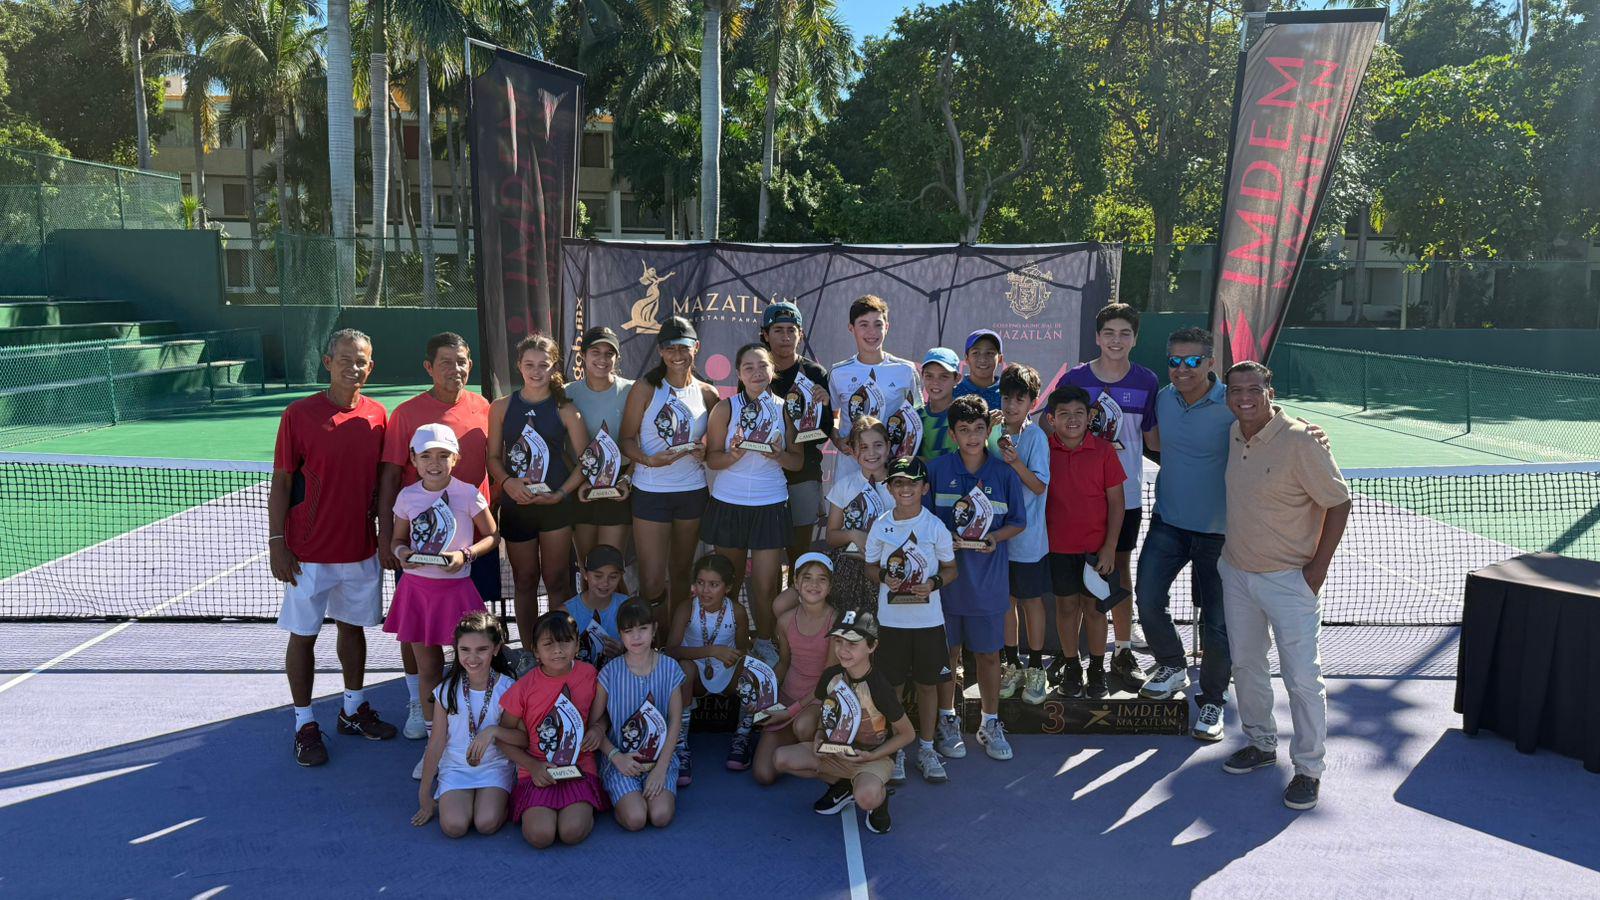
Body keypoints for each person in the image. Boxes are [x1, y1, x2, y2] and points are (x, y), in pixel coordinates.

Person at [1218, 361, 1351, 812]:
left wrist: (1317, 570)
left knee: (1301, 678)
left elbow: (1339, 502)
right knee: (1247, 666)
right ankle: (1260, 743)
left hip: (1290, 581)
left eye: (1253, 389)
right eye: (1236, 390)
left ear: (1269, 390)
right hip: (1236, 574)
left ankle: (1309, 768)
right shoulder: (1236, 433)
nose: (1244, 397)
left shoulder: (1300, 440)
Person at [269, 328, 396, 766]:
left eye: (360, 360)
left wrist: (383, 539)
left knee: (352, 629)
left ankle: (352, 709)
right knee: (303, 636)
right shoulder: (299, 415)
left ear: (370, 366)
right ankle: (304, 722)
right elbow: (282, 481)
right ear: (327, 363)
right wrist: (277, 544)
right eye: (344, 358)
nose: (352, 367)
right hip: (307, 553)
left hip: (359, 550)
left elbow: (385, 484)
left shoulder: (379, 416)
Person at [379, 332, 498, 741]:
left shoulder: (483, 406)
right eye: (446, 361)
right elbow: (392, 476)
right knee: (418, 635)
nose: (456, 368)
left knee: (470, 641)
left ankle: (471, 715)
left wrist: (470, 551)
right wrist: (390, 543)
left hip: (468, 554)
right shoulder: (406, 414)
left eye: (463, 360)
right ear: (429, 367)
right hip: (419, 560)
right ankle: (420, 703)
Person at [387, 423, 502, 779]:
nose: (434, 463)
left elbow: (493, 536)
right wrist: (403, 551)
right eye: (426, 456)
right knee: (429, 670)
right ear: (413, 460)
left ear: (456, 458)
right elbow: (397, 540)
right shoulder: (406, 497)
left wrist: (465, 555)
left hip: (458, 592)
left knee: (473, 666)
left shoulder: (468, 493)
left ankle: (473, 734)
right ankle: (432, 747)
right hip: (417, 592)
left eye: (442, 455)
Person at [1136, 328, 1234, 740]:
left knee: (1216, 625)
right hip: (1168, 523)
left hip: (1220, 534)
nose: (1182, 369)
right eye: (1174, 361)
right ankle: (1173, 664)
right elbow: (1155, 445)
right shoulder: (1162, 398)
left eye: (1192, 361)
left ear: (1211, 363)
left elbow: (1273, 430)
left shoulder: (1233, 403)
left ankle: (1212, 702)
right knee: (1148, 597)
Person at [1058, 303, 1160, 674]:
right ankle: (1074, 658)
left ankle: (1122, 650)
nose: (1117, 340)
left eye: (1125, 333)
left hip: (1125, 497)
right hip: (1076, 499)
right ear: (1098, 338)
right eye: (1110, 333)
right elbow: (1052, 430)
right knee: (1073, 576)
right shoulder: (1075, 378)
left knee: (1118, 568)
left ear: (1135, 338)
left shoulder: (1147, 381)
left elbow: (1155, 439)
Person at [925, 395, 1026, 762]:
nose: (971, 437)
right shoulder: (936, 471)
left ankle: (990, 722)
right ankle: (947, 720)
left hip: (989, 586)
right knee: (948, 655)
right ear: (952, 434)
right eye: (964, 430)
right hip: (947, 587)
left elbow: (1018, 521)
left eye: (978, 429)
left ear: (988, 431)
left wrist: (995, 538)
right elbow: (922, 521)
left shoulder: (1003, 474)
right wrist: (943, 539)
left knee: (987, 656)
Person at [702, 342, 802, 669]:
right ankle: (730, 641)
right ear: (739, 374)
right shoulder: (725, 408)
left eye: (762, 366)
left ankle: (763, 643)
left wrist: (779, 455)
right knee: (726, 582)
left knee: (764, 585)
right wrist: (731, 456)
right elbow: (711, 459)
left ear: (772, 370)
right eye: (749, 367)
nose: (757, 373)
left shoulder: (784, 408)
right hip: (728, 504)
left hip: (770, 504)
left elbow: (797, 462)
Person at [773, 610, 916, 835]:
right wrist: (820, 735)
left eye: (852, 643)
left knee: (866, 798)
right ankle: (842, 785)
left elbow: (907, 734)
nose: (843, 650)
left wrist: (873, 756)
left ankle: (879, 799)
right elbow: (826, 712)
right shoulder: (831, 676)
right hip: (837, 752)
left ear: (872, 646)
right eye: (839, 641)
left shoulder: (879, 686)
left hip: (872, 758)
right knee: (781, 759)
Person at [619, 316, 720, 628]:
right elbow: (625, 440)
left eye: (684, 347)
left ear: (696, 348)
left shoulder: (707, 392)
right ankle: (652, 644)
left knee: (681, 574)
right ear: (660, 352)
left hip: (692, 492)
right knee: (651, 580)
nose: (678, 354)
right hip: (651, 493)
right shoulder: (646, 388)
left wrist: (705, 452)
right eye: (669, 348)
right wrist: (650, 461)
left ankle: (675, 644)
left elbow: (715, 447)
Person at [487, 335, 588, 642]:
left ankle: (560, 649)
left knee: (557, 581)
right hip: (518, 507)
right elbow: (492, 458)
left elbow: (587, 462)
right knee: (525, 580)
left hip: (555, 508)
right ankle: (531, 651)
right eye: (529, 364)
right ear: (519, 366)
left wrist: (560, 494)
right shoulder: (501, 407)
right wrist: (508, 483)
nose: (535, 371)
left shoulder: (567, 409)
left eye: (543, 365)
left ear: (553, 366)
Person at [863, 455, 956, 785]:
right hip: (891, 624)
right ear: (889, 488)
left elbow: (950, 569)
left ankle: (927, 749)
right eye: (898, 483)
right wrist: (883, 577)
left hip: (928, 622)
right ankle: (897, 749)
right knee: (894, 688)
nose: (905, 489)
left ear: (925, 488)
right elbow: (870, 567)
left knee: (928, 686)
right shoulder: (881, 525)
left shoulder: (934, 527)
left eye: (912, 483)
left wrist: (933, 584)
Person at [495, 610, 608, 848]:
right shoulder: (524, 687)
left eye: (565, 642)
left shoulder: (590, 675)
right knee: (540, 835)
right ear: (535, 650)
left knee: (572, 832)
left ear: (577, 645)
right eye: (548, 644)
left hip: (579, 766)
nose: (557, 650)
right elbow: (503, 738)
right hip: (538, 768)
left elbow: (604, 715)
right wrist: (533, 766)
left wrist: (598, 729)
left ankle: (583, 810)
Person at [1044, 385, 1125, 700]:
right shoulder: (1043, 449)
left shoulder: (1104, 451)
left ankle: (1097, 669)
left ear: (1091, 416)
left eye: (1079, 413)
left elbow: (1117, 504)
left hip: (1096, 551)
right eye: (1064, 414)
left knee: (1094, 610)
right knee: (1066, 608)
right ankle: (1072, 666)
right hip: (1058, 548)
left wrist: (1109, 547)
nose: (1072, 419)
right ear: (1051, 419)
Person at [411, 612, 519, 837]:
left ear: (496, 649)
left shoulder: (508, 688)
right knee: (454, 827)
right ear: (456, 649)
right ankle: (462, 797)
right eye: (465, 650)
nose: (473, 658)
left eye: (482, 649)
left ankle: (504, 798)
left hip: (494, 766)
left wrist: (493, 731)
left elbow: (522, 739)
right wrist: (425, 793)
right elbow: (437, 741)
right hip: (456, 768)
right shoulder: (446, 690)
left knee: (486, 823)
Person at [596, 597, 686, 831]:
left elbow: (676, 720)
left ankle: (651, 787)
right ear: (620, 634)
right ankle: (620, 799)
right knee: (635, 819)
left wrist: (661, 768)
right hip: (621, 759)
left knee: (660, 815)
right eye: (628, 631)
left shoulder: (670, 668)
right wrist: (616, 756)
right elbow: (593, 723)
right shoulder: (609, 673)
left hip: (660, 758)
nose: (636, 637)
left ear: (654, 629)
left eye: (643, 629)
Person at [753, 552, 839, 786]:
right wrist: (765, 697)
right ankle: (795, 748)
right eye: (807, 578)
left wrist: (789, 712)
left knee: (803, 726)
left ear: (830, 587)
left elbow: (827, 681)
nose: (813, 584)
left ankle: (833, 766)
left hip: (818, 701)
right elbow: (784, 663)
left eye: (822, 579)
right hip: (789, 698)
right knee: (763, 774)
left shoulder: (835, 621)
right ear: (796, 584)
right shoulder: (785, 621)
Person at [992, 364, 1051, 706]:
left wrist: (1015, 462)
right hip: (998, 540)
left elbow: (1040, 486)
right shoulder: (992, 432)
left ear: (1032, 401)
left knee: (1031, 603)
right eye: (1006, 397)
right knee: (1006, 603)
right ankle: (1011, 664)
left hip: (1028, 543)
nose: (1012, 404)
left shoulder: (1037, 438)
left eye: (1020, 398)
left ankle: (1035, 667)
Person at [665, 553, 753, 776]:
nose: (705, 591)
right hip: (695, 675)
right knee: (683, 669)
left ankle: (742, 736)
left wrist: (735, 656)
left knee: (753, 670)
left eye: (714, 585)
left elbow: (744, 649)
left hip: (725, 671)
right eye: (701, 583)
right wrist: (712, 651)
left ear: (729, 586)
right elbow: (671, 650)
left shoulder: (738, 612)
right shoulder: (687, 608)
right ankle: (680, 743)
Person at [760, 301, 835, 565]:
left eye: (792, 330)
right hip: (763, 475)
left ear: (800, 334)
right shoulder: (757, 372)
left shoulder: (814, 373)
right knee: (764, 555)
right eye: (778, 330)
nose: (785, 336)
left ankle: (799, 605)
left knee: (801, 555)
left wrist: (824, 404)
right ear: (765, 335)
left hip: (803, 476)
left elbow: (824, 432)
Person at [829, 295, 921, 481]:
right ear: (851, 328)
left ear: (887, 327)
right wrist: (837, 439)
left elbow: (917, 416)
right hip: (850, 467)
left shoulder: (905, 370)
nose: (872, 332)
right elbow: (832, 415)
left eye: (878, 324)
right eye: (864, 324)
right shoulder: (838, 372)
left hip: (893, 468)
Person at [567, 326, 635, 562]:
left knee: (611, 567)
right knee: (588, 568)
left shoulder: (633, 390)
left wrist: (627, 479)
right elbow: (559, 447)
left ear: (617, 358)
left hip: (619, 487)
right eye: (595, 352)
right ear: (582, 356)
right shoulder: (566, 394)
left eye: (609, 353)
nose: (602, 359)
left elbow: (643, 443)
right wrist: (577, 480)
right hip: (580, 485)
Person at [819, 416, 894, 618]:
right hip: (850, 568)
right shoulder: (845, 486)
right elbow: (831, 537)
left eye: (877, 445)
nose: (871, 453)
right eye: (863, 447)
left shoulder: (900, 487)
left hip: (889, 566)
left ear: (888, 446)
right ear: (852, 451)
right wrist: (853, 535)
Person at [564, 544, 629, 670]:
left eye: (613, 577)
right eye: (598, 576)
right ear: (585, 574)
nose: (605, 583)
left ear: (621, 576)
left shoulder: (628, 608)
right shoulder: (566, 613)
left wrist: (625, 651)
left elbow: (648, 650)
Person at [916, 348, 962, 462]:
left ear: (957, 379)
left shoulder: (965, 414)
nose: (935, 382)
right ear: (922, 377)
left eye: (944, 376)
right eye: (929, 376)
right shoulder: (916, 417)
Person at [952, 329, 1005, 409]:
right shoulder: (953, 393)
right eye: (975, 353)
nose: (983, 359)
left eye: (990, 353)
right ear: (966, 358)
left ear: (1000, 358)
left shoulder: (1008, 394)